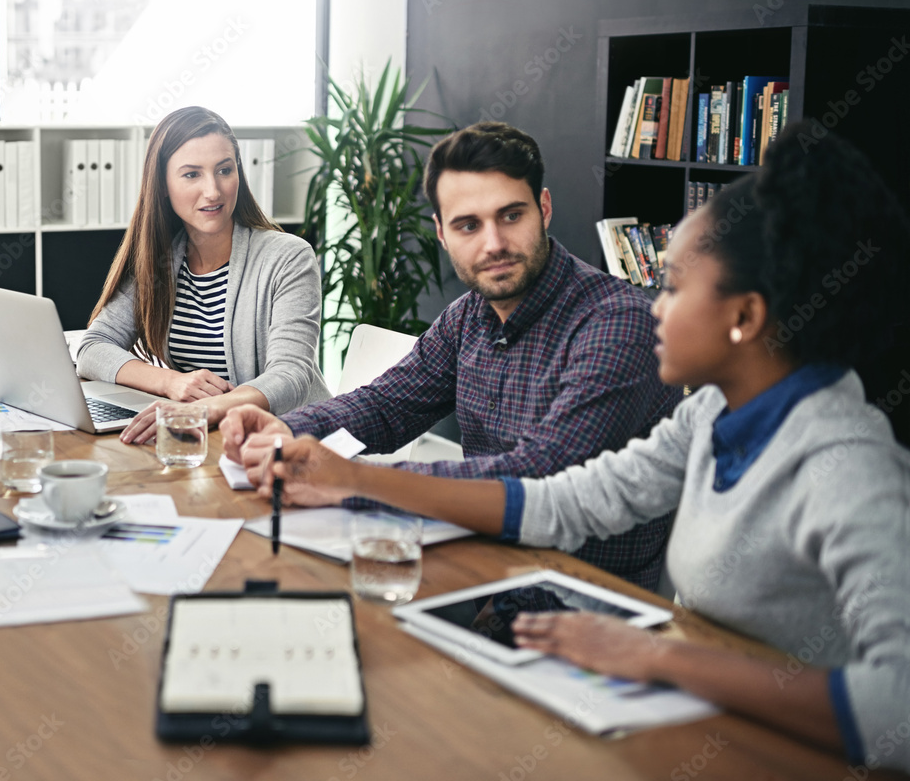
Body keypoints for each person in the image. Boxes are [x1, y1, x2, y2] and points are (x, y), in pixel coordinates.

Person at [241, 123, 910, 772]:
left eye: (674, 287)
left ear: (744, 318)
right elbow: (566, 499)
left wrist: (658, 658)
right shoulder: (712, 413)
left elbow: (898, 712)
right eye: (469, 225)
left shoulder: (843, 465)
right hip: (690, 712)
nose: (655, 307)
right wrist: (335, 462)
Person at [222, 121, 682, 590]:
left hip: (579, 603)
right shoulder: (468, 316)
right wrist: (289, 427)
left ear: (543, 209)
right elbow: (386, 405)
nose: (494, 244)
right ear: (442, 234)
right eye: (468, 225)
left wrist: (352, 479)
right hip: (477, 574)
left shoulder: (617, 322)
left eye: (511, 216)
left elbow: (542, 475)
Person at [76, 106, 330, 442]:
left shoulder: (288, 257)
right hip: (209, 442)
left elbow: (292, 375)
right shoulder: (161, 261)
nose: (213, 191)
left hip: (291, 443)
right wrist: (172, 382)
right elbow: (92, 348)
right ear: (163, 184)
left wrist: (203, 410)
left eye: (224, 170)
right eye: (192, 174)